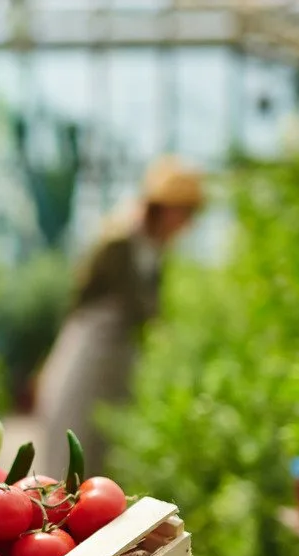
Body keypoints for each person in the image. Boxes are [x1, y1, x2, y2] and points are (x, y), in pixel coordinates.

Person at [34, 155, 205, 480]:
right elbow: (85, 297)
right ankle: (58, 508)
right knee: (75, 424)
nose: (187, 223)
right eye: (185, 212)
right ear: (164, 207)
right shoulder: (121, 240)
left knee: (104, 438)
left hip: (121, 350)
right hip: (93, 344)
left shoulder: (155, 246)